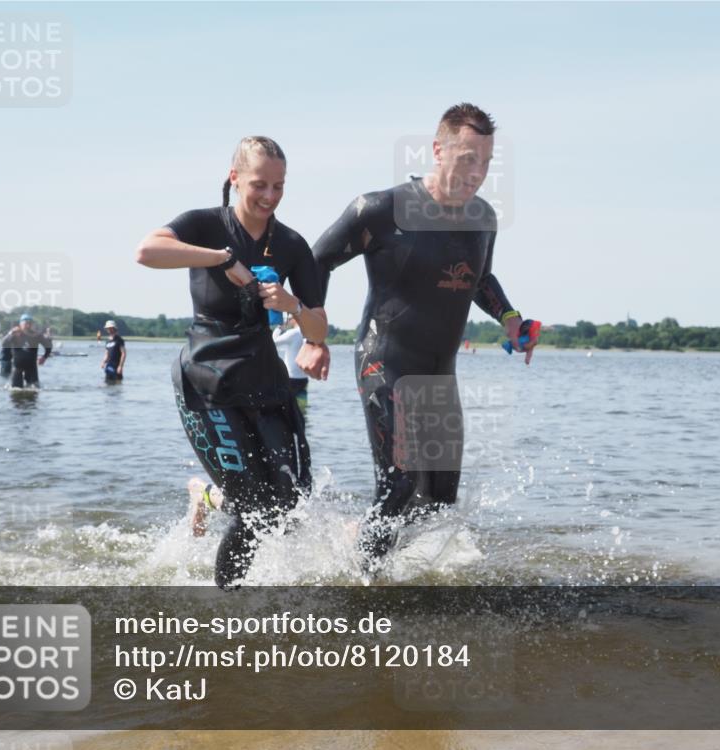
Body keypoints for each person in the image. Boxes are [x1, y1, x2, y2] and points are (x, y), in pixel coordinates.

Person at [302, 103, 536, 567]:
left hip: (439, 372)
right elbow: (316, 261)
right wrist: (313, 337)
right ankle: (363, 586)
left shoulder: (483, 218)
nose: (477, 172)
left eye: (486, 162)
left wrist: (510, 318)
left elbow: (479, 279)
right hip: (384, 361)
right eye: (467, 158)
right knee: (399, 485)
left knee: (440, 500)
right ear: (437, 150)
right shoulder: (381, 210)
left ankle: (364, 547)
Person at [135, 135, 328, 589]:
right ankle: (229, 604)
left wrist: (293, 305)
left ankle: (207, 496)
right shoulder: (205, 224)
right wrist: (223, 259)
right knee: (255, 508)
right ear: (235, 178)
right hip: (207, 380)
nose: (269, 196)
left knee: (291, 502)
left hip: (264, 379)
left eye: (279, 186)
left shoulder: (292, 244)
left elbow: (319, 329)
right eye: (259, 184)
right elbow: (147, 251)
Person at [1, 313, 52, 388]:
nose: (28, 326)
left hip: (31, 367)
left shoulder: (36, 335)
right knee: (15, 390)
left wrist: (44, 357)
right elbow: (4, 344)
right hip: (17, 366)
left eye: (29, 323)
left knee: (35, 389)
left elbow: (48, 346)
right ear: (20, 324)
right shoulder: (15, 333)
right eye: (26, 323)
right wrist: (11, 333)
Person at [273, 315, 309, 415]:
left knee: (286, 408)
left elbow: (273, 343)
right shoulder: (308, 332)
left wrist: (279, 328)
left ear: (294, 319)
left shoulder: (293, 333)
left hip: (291, 377)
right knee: (302, 408)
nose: (288, 321)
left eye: (289, 319)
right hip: (303, 377)